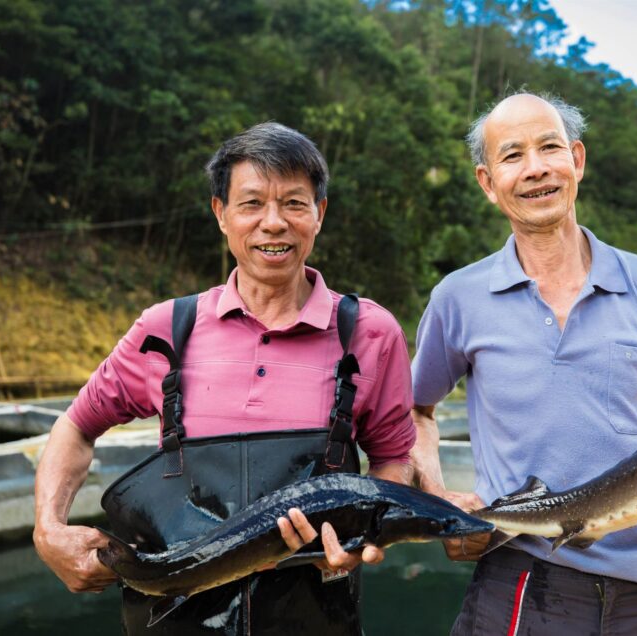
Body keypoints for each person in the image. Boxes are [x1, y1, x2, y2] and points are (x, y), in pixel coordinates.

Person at [409, 93, 637, 635]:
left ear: (576, 160)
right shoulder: (458, 297)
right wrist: (436, 498)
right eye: (512, 156)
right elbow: (414, 412)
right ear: (488, 183)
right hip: (520, 571)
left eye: (550, 147)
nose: (535, 168)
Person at [33, 122, 415, 635]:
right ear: (221, 214)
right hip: (175, 615)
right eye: (252, 203)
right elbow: (77, 427)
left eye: (295, 204)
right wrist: (48, 528)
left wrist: (362, 538)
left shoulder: (369, 333)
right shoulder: (166, 329)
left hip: (317, 616)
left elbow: (393, 457)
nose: (273, 224)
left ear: (319, 215)